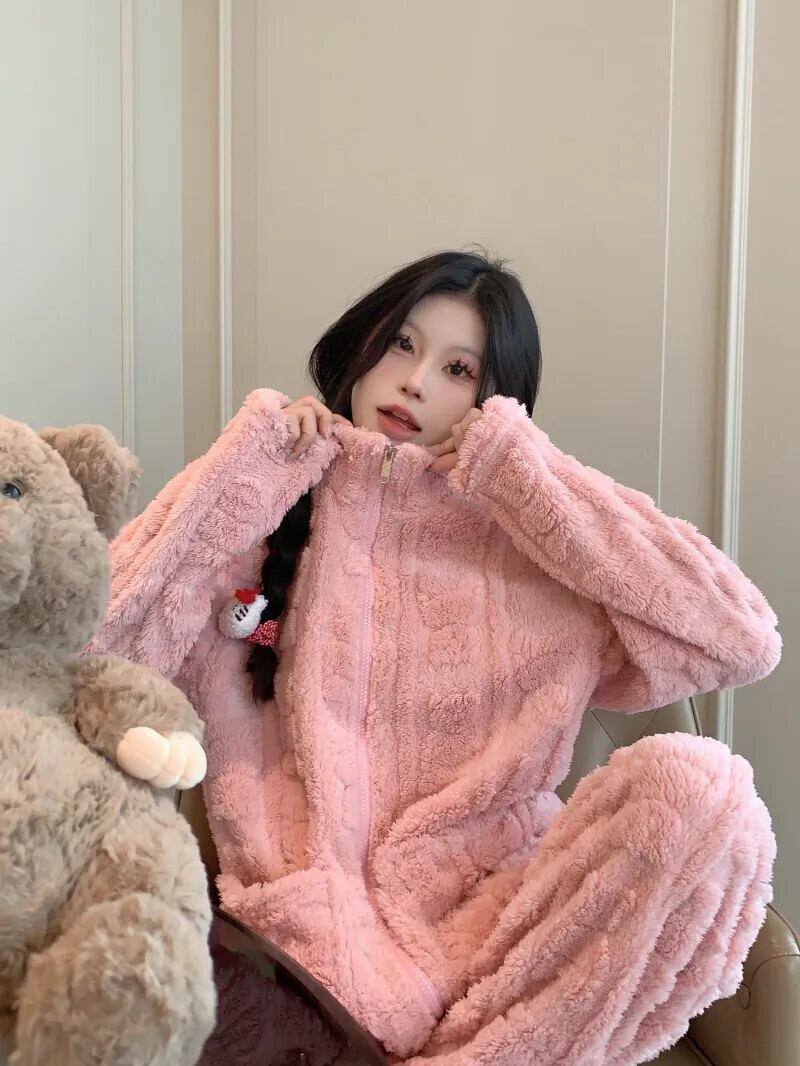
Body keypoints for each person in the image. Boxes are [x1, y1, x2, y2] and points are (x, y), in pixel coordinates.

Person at [90, 249, 782, 1066]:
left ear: (496, 400)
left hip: (508, 925)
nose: (415, 382)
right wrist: (245, 468)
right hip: (319, 938)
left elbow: (740, 637)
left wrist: (532, 479)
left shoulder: (543, 544)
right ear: (363, 343)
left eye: (459, 369)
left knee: (709, 792)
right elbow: (98, 653)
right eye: (401, 344)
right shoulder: (268, 506)